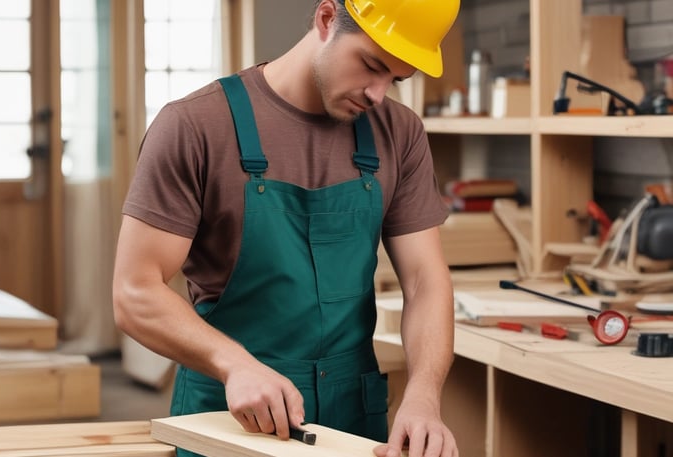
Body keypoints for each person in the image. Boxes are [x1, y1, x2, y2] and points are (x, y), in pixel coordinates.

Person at [113, 0, 460, 456]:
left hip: (352, 420)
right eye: (371, 65)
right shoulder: (195, 125)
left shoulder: (400, 133)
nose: (378, 93)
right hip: (230, 418)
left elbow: (425, 281)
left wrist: (423, 396)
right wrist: (234, 364)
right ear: (326, 18)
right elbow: (135, 291)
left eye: (395, 79)